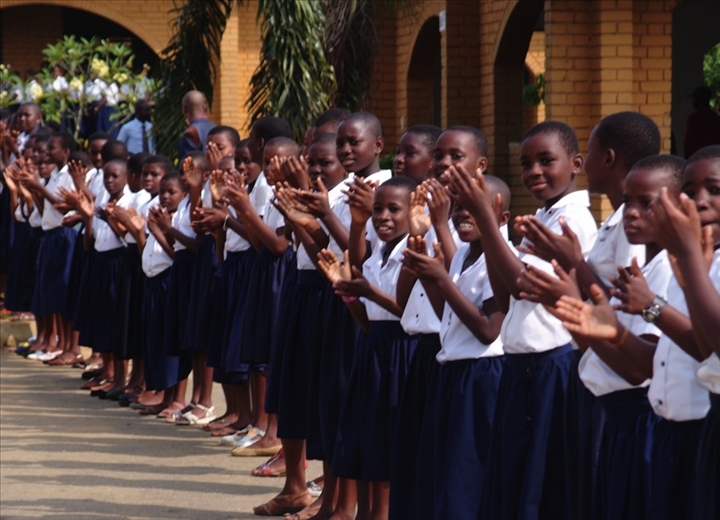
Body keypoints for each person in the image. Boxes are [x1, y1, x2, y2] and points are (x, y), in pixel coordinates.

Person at [448, 121, 598, 519]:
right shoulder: (544, 216)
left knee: (541, 487)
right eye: (526, 163)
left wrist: (485, 217)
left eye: (546, 161)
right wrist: (489, 226)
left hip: (553, 366)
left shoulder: (574, 220)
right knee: (514, 483)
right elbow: (505, 293)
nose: (534, 171)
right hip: (523, 366)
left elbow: (522, 286)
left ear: (576, 164)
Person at [401, 176, 511, 520]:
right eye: (459, 207)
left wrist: (443, 280)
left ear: (502, 218)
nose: (464, 215)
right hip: (452, 370)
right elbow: (446, 312)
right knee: (442, 473)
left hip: (482, 375)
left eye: (475, 208)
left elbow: (488, 330)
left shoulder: (502, 259)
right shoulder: (463, 253)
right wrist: (427, 274)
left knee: (467, 478)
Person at [389, 125, 485, 520]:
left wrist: (443, 226)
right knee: (424, 463)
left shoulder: (475, 219)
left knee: (462, 473)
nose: (444, 163)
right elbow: (423, 297)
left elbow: (476, 309)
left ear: (480, 165)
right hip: (439, 350)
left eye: (455, 156)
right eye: (440, 156)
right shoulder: (428, 212)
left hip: (471, 361)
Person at [328, 176, 418, 520]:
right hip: (373, 350)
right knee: (367, 440)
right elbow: (367, 321)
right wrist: (348, 292)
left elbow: (407, 313)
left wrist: (368, 292)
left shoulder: (414, 252)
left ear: (414, 212)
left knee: (390, 445)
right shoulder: (378, 252)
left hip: (401, 353)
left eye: (394, 209)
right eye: (377, 208)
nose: (383, 216)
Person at [177, 91, 216, 162]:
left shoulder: (191, 133)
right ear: (205, 107)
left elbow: (188, 166)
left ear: (184, 109)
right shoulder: (217, 129)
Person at [683, 86, 720, 158]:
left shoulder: (693, 119)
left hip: (698, 159)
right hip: (715, 159)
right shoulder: (716, 118)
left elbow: (687, 145)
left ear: (698, 100)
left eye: (694, 99)